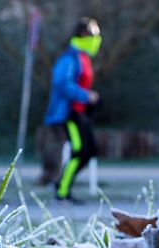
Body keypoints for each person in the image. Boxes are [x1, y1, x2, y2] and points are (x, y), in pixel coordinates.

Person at [42, 17, 102, 203]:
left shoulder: (82, 57)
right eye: (94, 34)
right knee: (80, 150)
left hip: (79, 113)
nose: (97, 38)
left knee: (89, 150)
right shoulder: (70, 57)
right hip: (69, 114)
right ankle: (62, 190)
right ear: (84, 34)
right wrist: (86, 96)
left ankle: (61, 185)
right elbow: (61, 83)